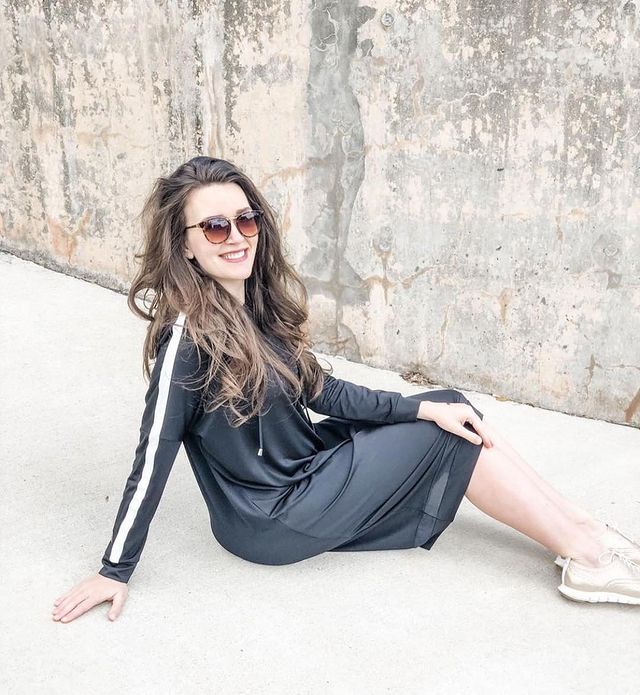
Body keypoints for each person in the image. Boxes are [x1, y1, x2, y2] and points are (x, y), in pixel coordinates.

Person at [52, 156, 640, 623]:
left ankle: (582, 531)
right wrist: (114, 569)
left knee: (449, 409)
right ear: (185, 244)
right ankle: (589, 558)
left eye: (245, 220)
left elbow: (323, 393)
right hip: (270, 515)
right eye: (214, 226)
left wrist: (416, 406)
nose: (236, 237)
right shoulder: (186, 338)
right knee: (449, 438)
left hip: (302, 471)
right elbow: (153, 455)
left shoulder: (251, 305)